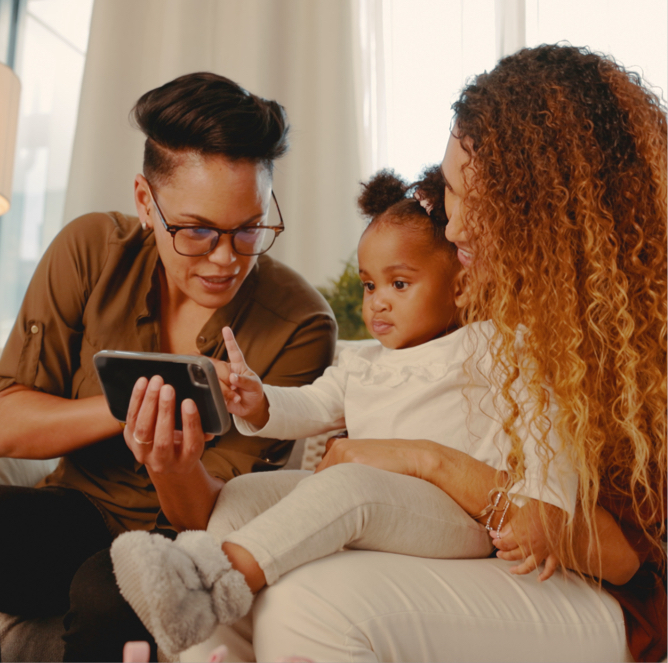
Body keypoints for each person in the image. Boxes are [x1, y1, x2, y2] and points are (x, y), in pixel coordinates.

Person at [160, 45, 663, 663]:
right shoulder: (489, 300)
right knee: (258, 540)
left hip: (604, 595)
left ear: (545, 215)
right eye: (451, 194)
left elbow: (616, 554)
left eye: (480, 203)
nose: (452, 228)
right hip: (494, 552)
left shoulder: (620, 340)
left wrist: (421, 459)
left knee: (310, 601)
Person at [110, 167, 578, 658]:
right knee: (242, 495)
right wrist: (259, 398)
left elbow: (545, 425)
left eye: (399, 284)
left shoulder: (494, 346)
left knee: (351, 482)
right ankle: (216, 651)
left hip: (459, 518)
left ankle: (207, 583)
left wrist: (545, 508)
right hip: (380, 507)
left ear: (460, 288)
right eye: (369, 285)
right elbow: (312, 405)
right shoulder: (361, 362)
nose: (378, 303)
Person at [0, 72, 336, 662]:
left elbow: (218, 518)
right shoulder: (89, 251)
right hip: (75, 512)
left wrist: (172, 468)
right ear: (144, 202)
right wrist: (124, 401)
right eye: (198, 231)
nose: (226, 259)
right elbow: (7, 421)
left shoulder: (301, 324)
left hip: (185, 545)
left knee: (111, 595)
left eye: (249, 228)